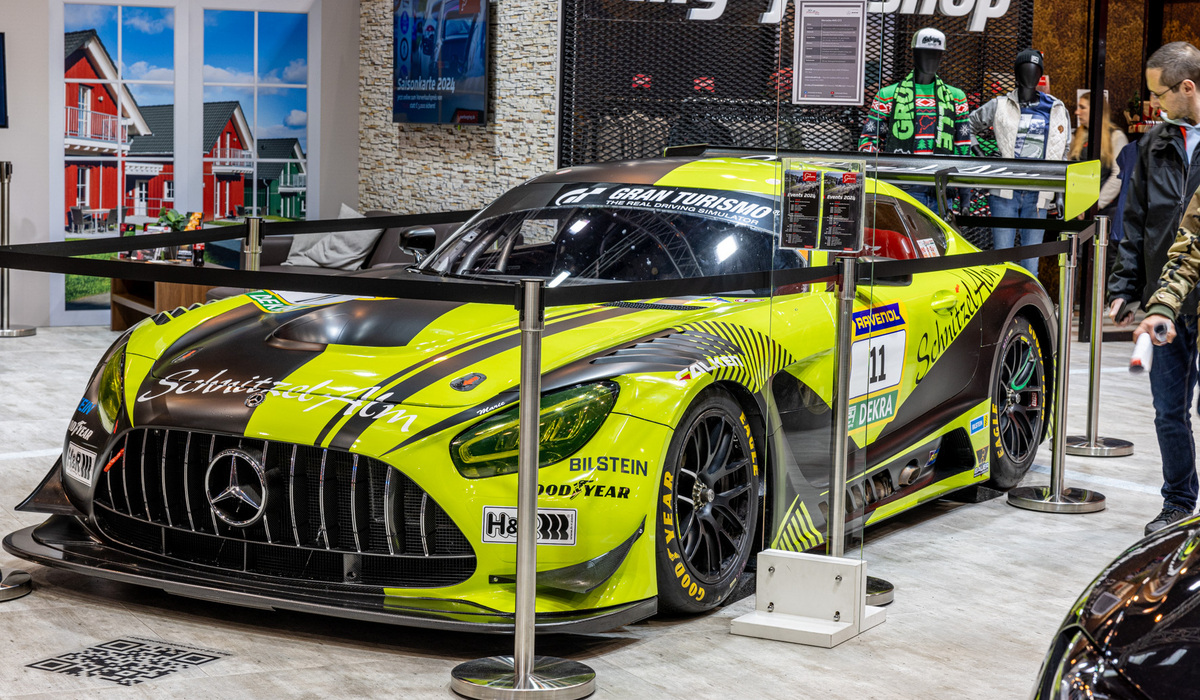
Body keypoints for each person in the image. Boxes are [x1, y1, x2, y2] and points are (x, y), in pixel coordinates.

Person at [1107, 41, 1200, 536]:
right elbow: (1136, 220)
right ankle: (1178, 503)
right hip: (1166, 301)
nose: (1154, 104)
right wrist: (1125, 285)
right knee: (1169, 410)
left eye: (1159, 94)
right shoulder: (1155, 143)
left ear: (1187, 87)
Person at [968, 49, 1072, 274]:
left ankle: (1027, 307)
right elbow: (967, 126)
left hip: (1039, 193)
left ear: (1040, 74)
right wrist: (981, 155)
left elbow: (1063, 152)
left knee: (1030, 263)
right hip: (1005, 190)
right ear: (1016, 73)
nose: (1030, 76)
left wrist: (1060, 193)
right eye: (1025, 70)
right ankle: (1002, 307)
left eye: (1035, 71)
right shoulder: (1000, 104)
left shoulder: (1056, 108)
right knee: (1001, 259)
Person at [858, 28, 971, 210]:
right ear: (914, 54)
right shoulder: (888, 95)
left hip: (941, 188)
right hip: (902, 187)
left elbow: (963, 147)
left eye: (936, 54)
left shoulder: (956, 97)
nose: (931, 60)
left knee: (941, 239)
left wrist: (965, 194)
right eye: (925, 53)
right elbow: (868, 142)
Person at [1069, 91, 1129, 221]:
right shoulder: (1076, 136)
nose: (1077, 112)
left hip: (1104, 212)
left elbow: (1118, 176)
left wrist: (1096, 204)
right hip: (1076, 211)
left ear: (1097, 110)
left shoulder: (1116, 136)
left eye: (1082, 107)